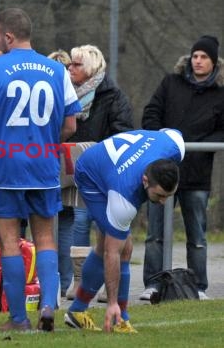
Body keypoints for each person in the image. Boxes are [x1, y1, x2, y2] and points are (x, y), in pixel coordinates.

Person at [0, 8, 81, 332]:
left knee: (10, 242)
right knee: (45, 239)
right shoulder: (57, 71)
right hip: (43, 164)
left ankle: (18, 318)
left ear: (8, 36)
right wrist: (43, 138)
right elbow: (70, 125)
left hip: (4, 165)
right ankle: (47, 304)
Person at [64, 129, 184, 333]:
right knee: (120, 246)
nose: (164, 202)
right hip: (90, 174)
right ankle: (119, 315)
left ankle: (78, 310)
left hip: (112, 165)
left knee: (116, 243)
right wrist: (111, 302)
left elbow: (166, 133)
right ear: (145, 181)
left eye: (169, 195)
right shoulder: (125, 198)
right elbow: (113, 253)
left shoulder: (175, 144)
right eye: (160, 195)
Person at [140, 35, 224, 301]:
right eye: (195, 56)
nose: (198, 61)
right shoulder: (170, 83)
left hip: (197, 175)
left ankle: (197, 286)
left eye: (204, 57)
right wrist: (163, 141)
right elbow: (151, 112)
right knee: (155, 234)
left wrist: (194, 146)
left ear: (214, 62)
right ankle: (153, 284)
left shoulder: (220, 93)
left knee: (196, 236)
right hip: (162, 171)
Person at [57, 45, 134, 300]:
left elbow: (123, 132)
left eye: (77, 64)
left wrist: (99, 153)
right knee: (76, 223)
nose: (71, 68)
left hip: (102, 170)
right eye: (70, 64)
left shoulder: (112, 96)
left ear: (91, 68)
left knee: (99, 224)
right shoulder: (64, 93)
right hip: (71, 168)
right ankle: (78, 280)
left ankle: (103, 281)